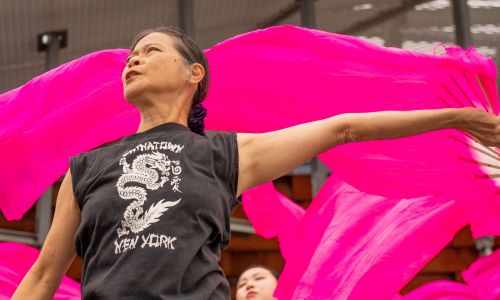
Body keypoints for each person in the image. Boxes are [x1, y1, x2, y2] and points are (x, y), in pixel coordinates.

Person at [12, 26, 500, 299]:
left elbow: (343, 127)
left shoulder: (227, 154)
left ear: (193, 74)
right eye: (130, 56)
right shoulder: (86, 168)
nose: (132, 61)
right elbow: (41, 277)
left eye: (150, 51)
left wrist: (455, 116)